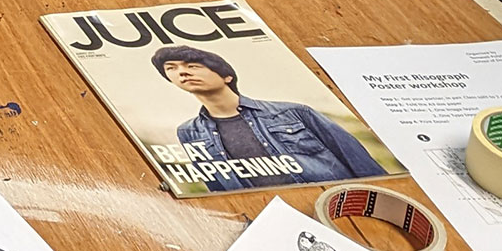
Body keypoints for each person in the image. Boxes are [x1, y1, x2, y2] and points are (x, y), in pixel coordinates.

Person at [153, 46, 387, 192]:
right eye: (171, 68)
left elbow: (364, 166)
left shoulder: (295, 112)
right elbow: (217, 187)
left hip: (332, 202)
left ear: (227, 76)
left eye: (193, 66)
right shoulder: (189, 132)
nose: (182, 72)